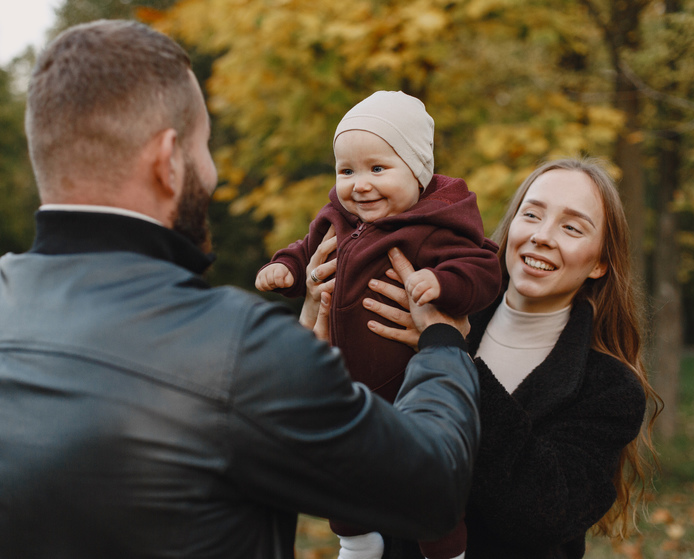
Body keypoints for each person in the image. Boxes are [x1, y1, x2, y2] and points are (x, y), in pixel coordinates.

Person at [0, 20, 482, 559]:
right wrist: (443, 345)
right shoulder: (234, 351)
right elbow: (433, 487)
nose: (211, 170)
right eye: (205, 146)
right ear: (168, 161)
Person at [358, 158, 662, 558]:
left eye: (571, 227)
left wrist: (448, 352)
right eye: (531, 215)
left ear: (600, 262)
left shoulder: (609, 388)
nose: (541, 236)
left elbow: (543, 513)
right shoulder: (422, 307)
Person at [256, 90, 500, 559]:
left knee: (426, 477)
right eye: (346, 171)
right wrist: (286, 268)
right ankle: (356, 541)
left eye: (377, 169)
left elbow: (483, 269)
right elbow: (306, 248)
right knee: (344, 471)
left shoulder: (438, 225)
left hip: (415, 383)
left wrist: (440, 282)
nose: (359, 185)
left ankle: (447, 552)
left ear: (418, 171)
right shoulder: (337, 219)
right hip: (347, 381)